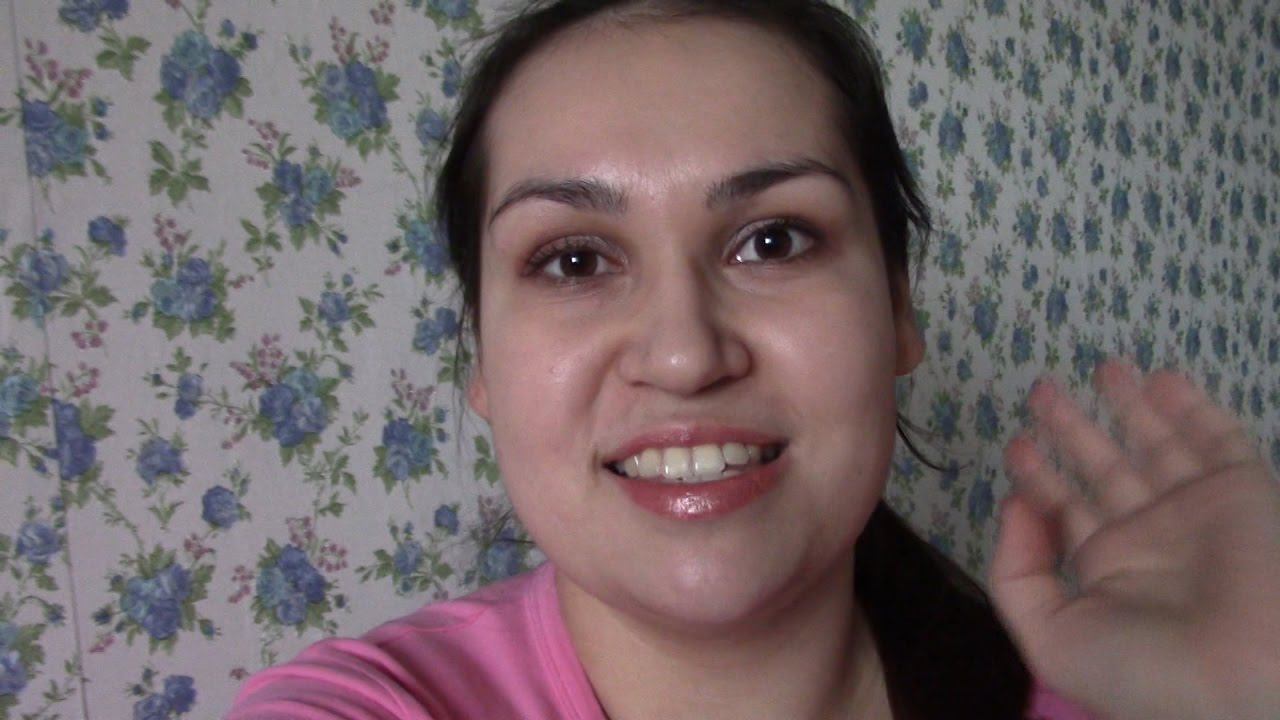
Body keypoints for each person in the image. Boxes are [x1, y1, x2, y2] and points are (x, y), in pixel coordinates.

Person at [225, 1, 1280, 718]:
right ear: (484, 365)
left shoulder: (1106, 695)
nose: (685, 355)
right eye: (574, 260)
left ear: (897, 311)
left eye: (772, 241)